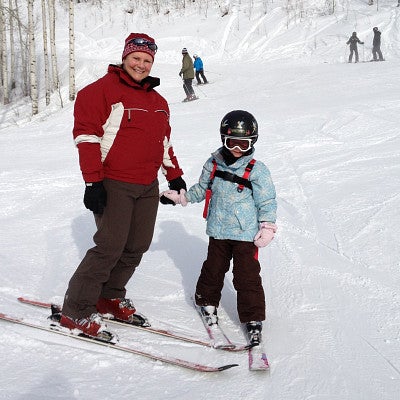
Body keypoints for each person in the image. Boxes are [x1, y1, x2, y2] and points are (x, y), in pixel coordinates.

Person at [59, 33, 186, 341]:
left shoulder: (158, 102)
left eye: (147, 60)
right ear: (125, 57)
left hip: (147, 186)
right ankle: (75, 310)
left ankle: (110, 297)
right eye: (136, 58)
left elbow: (164, 143)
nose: (141, 64)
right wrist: (93, 182)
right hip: (114, 182)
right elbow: (87, 138)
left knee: (136, 246)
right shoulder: (100, 92)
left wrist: (175, 175)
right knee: (108, 247)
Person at [161, 110, 277, 346]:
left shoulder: (257, 170)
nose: (237, 149)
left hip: (245, 234)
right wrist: (181, 198)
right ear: (223, 139)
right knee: (213, 269)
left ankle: (253, 318)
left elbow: (267, 201)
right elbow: (201, 188)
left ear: (252, 143)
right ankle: (206, 301)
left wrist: (267, 226)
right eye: (232, 142)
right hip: (218, 231)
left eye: (243, 145)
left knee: (247, 277)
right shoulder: (213, 163)